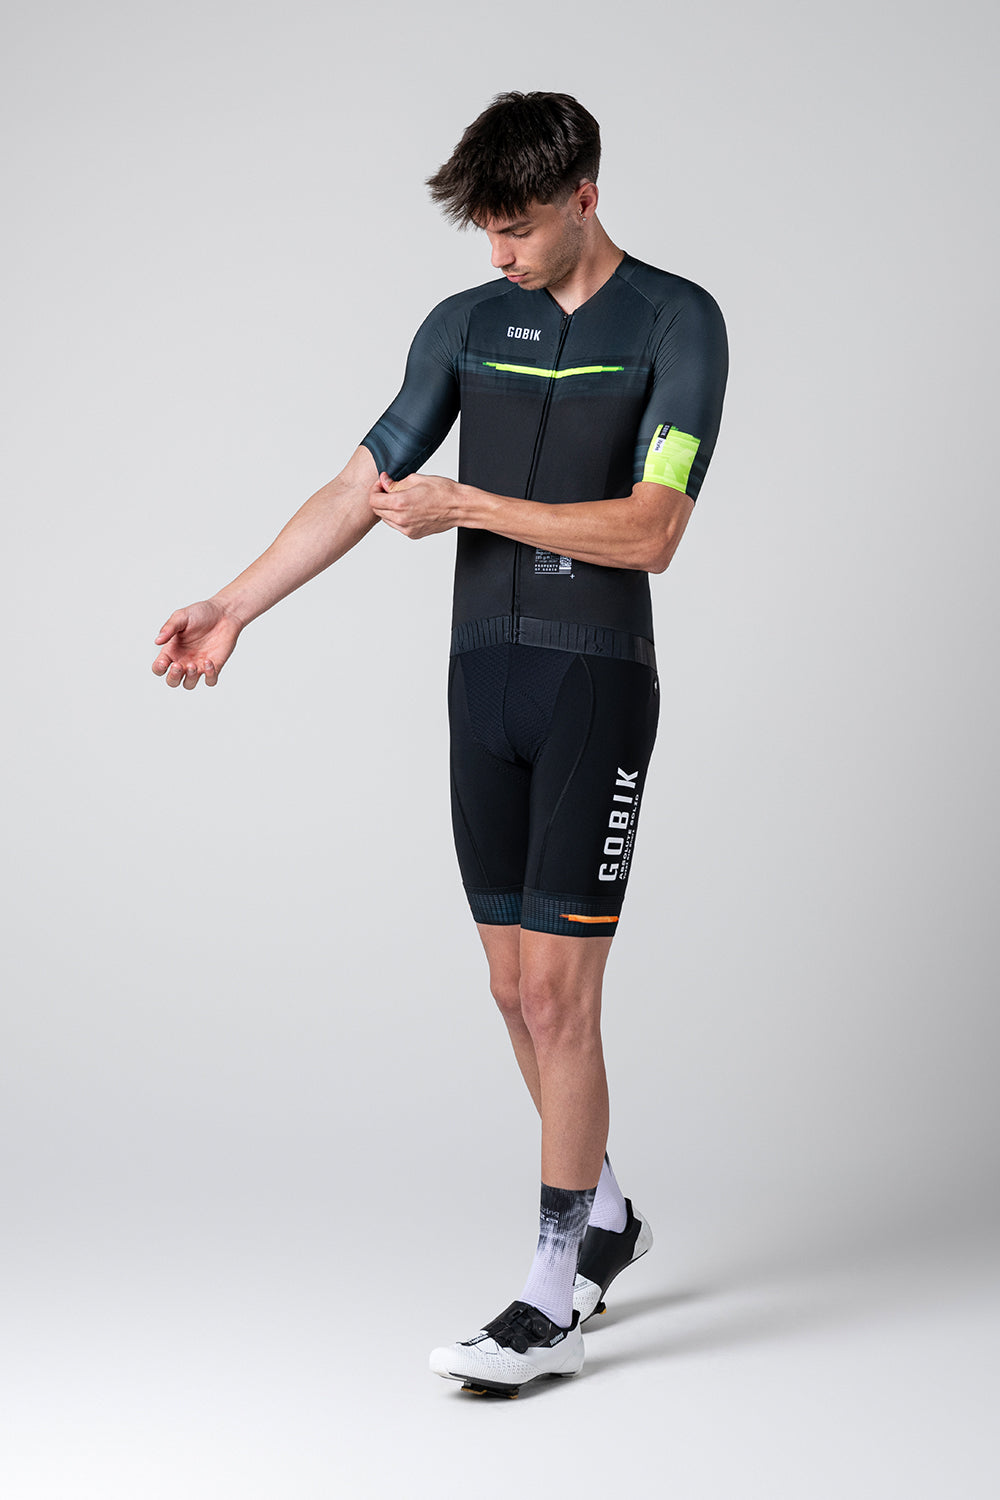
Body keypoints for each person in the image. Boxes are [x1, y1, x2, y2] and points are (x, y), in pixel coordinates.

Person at [152, 91, 728, 1397]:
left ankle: (551, 1294)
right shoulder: (464, 325)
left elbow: (652, 532)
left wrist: (473, 502)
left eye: (518, 228)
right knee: (513, 993)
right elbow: (358, 485)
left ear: (585, 196)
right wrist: (234, 605)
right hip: (485, 686)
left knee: (563, 1000)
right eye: (486, 232)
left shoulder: (675, 323)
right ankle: (608, 1217)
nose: (499, 254)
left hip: (592, 687)